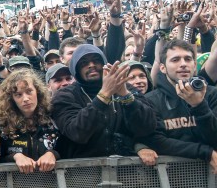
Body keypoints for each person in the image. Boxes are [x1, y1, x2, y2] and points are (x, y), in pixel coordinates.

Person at [51, 44, 156, 159]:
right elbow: (77, 132)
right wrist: (104, 94)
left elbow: (148, 126)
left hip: (127, 169)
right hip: (83, 171)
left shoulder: (125, 88)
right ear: (76, 69)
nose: (91, 65)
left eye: (96, 60)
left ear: (104, 63)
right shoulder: (65, 95)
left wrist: (125, 95)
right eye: (84, 63)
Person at [143, 39, 217, 173]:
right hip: (171, 184)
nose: (183, 64)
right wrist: (204, 152)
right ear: (162, 68)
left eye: (188, 59)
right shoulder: (150, 100)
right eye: (175, 60)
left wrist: (198, 105)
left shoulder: (212, 94)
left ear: (195, 65)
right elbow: (157, 141)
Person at [0, 69, 59, 173]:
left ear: (37, 91)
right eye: (18, 94)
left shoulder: (53, 116)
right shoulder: (1, 122)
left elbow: (68, 147)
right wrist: (15, 157)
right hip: (15, 184)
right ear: (11, 98)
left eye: (29, 91)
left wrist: (53, 154)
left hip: (51, 182)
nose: (26, 98)